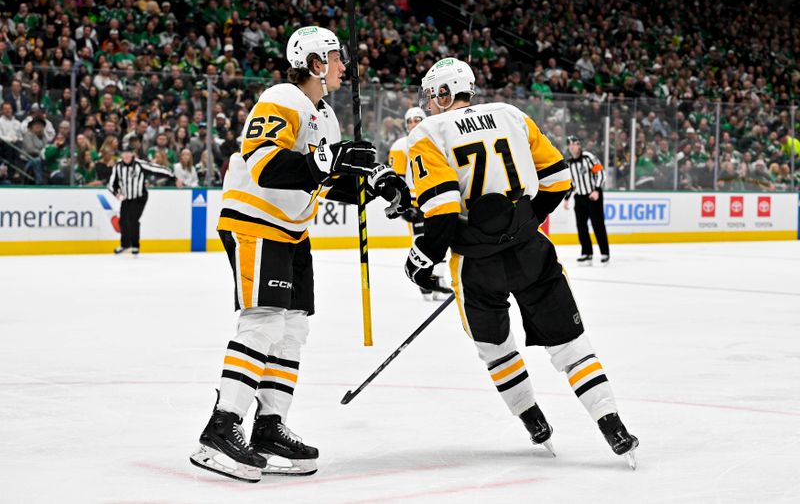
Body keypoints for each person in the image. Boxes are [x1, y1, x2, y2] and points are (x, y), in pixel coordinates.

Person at [189, 26, 410, 482]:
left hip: (292, 230)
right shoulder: (281, 98)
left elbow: (326, 181)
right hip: (257, 222)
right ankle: (220, 428)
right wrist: (330, 161)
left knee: (292, 329)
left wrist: (375, 182)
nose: (343, 66)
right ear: (313, 63)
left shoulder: (324, 115)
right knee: (265, 320)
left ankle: (268, 426)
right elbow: (264, 164)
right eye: (335, 57)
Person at [404, 58, 638, 468]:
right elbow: (558, 180)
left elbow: (440, 210)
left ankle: (533, 421)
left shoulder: (428, 131)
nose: (432, 102)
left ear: (444, 92)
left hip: (475, 265)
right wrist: (521, 224)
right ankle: (612, 425)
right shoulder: (512, 115)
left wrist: (421, 260)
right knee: (571, 346)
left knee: (495, 348)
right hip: (532, 251)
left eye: (433, 93)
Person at [387, 106, 452, 300]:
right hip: (415, 202)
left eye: (418, 119)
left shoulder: (437, 142)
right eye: (410, 121)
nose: (414, 124)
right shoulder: (400, 146)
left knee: (442, 240)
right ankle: (425, 282)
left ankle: (439, 280)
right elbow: (394, 180)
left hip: (436, 199)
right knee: (422, 242)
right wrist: (403, 206)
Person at [107, 144, 178, 255]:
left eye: (128, 153)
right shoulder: (117, 166)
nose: (126, 155)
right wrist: (117, 194)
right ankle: (125, 245)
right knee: (123, 221)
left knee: (132, 219)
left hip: (140, 196)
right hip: (126, 198)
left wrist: (174, 177)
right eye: (124, 153)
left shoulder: (140, 164)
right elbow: (111, 184)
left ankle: (135, 246)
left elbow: (157, 169)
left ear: (132, 154)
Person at [563, 135, 610, 265]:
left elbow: (600, 172)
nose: (572, 147)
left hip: (593, 195)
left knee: (598, 224)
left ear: (579, 145)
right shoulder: (569, 163)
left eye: (574, 144)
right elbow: (571, 183)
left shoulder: (588, 157)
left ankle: (605, 253)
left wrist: (596, 190)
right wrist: (567, 198)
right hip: (580, 197)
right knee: (581, 226)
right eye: (570, 144)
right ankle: (587, 253)